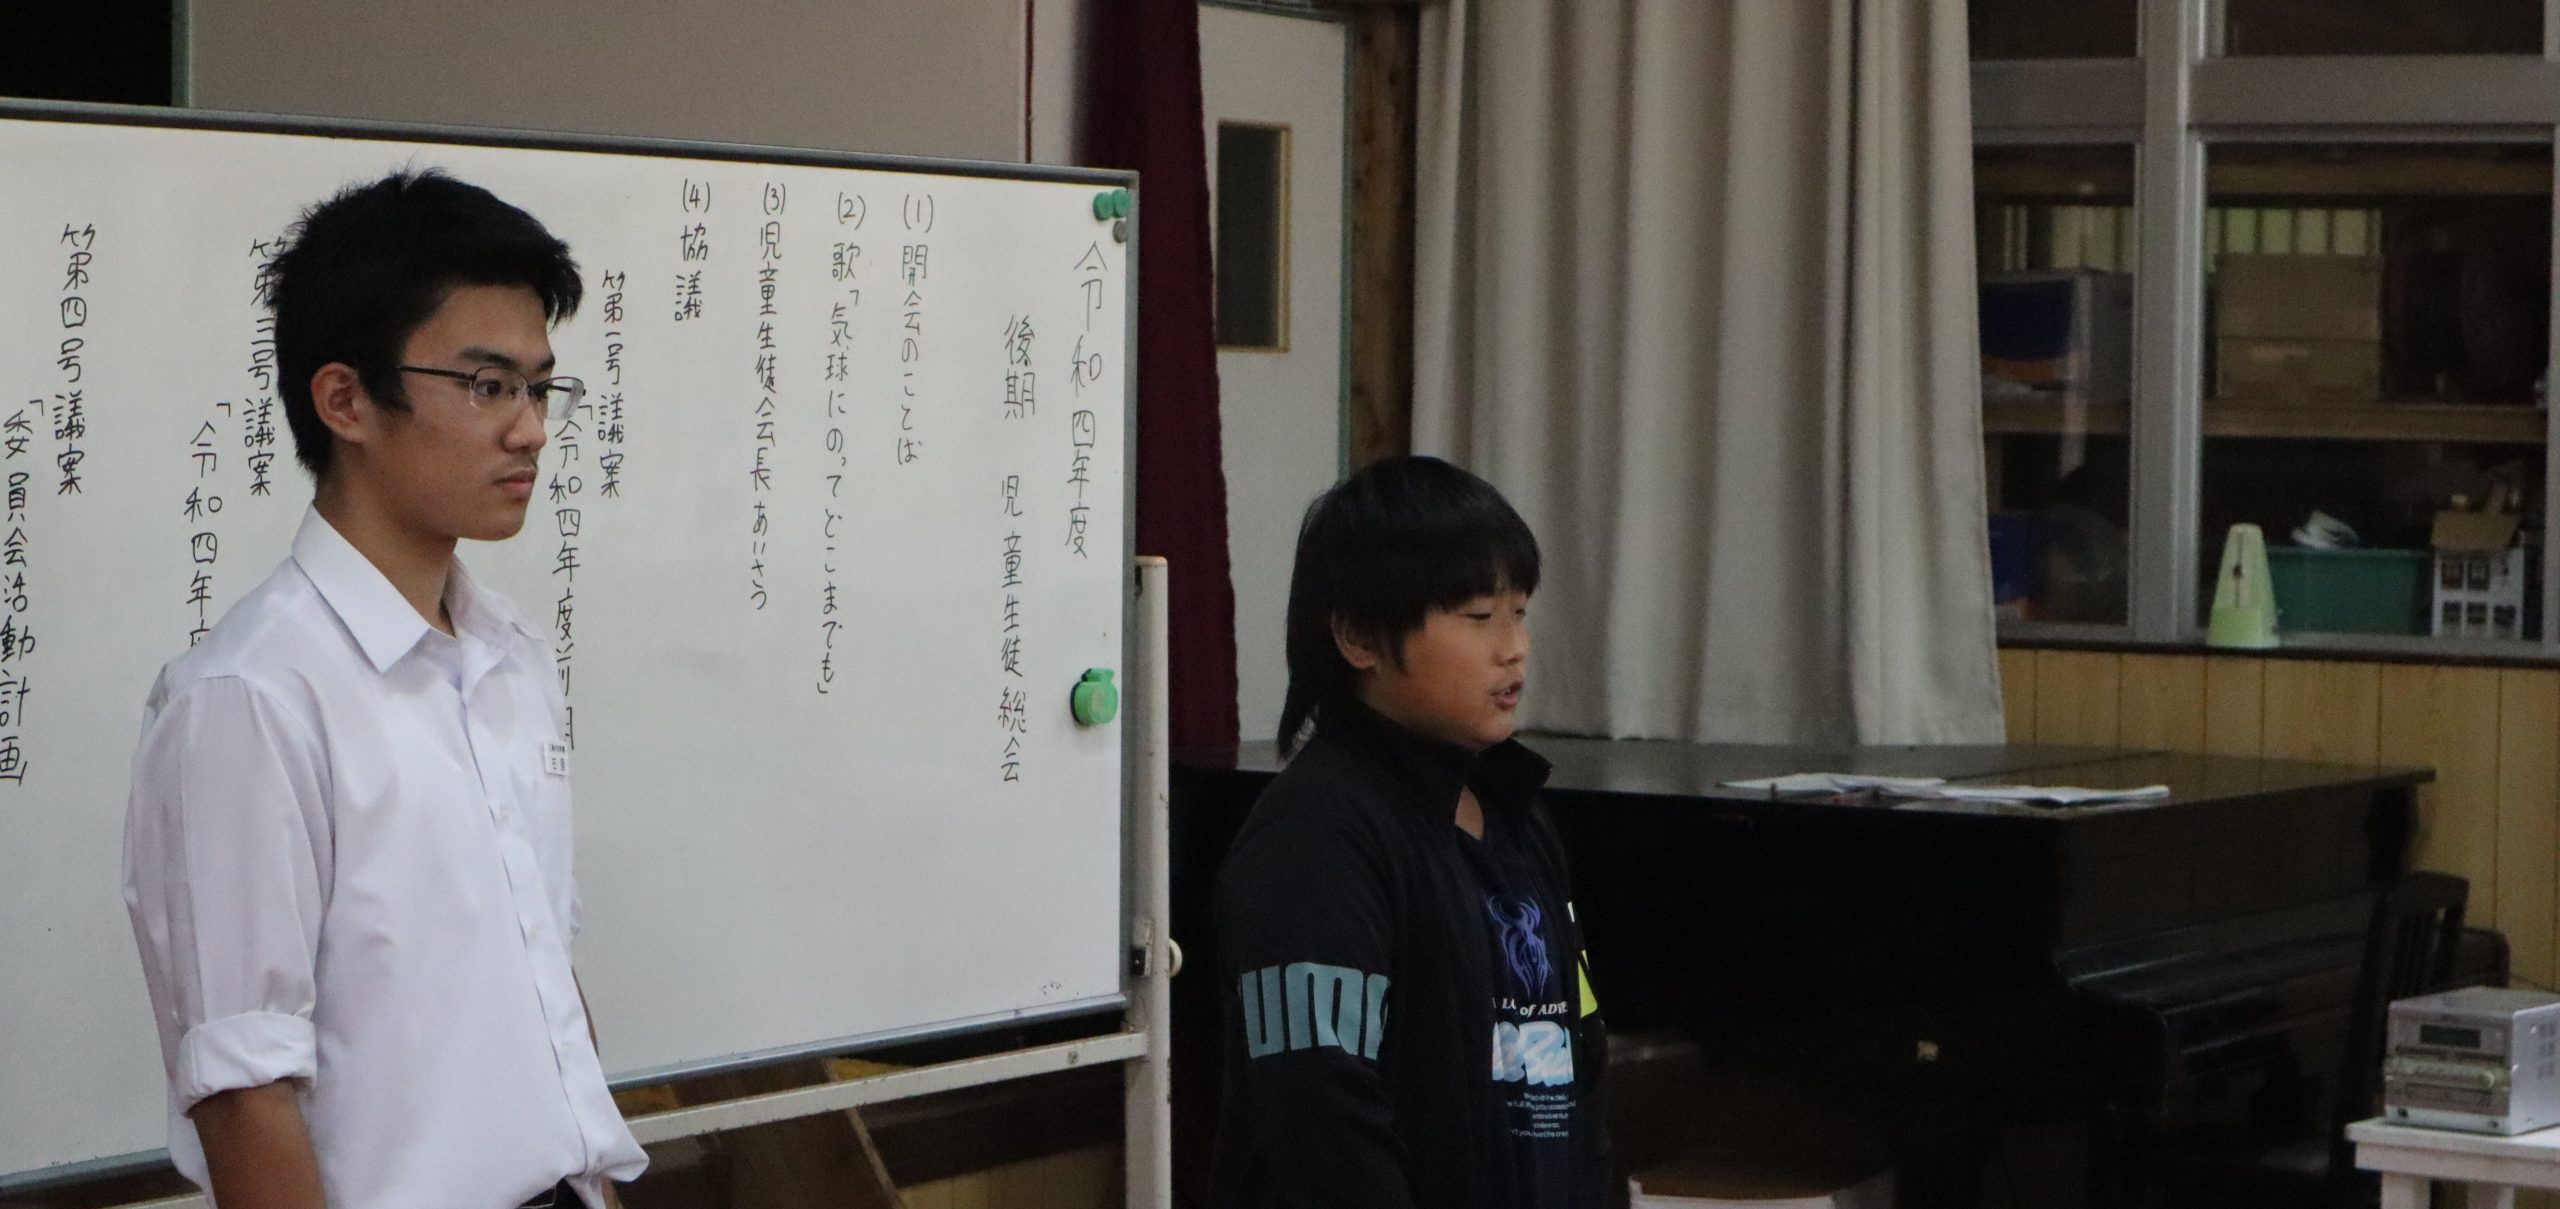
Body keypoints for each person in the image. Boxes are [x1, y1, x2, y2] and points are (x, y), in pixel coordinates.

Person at [122, 169, 647, 1209]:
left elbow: (542, 975)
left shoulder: (510, 656)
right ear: (345, 400)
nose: (530, 430)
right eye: (487, 385)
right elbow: (246, 1095)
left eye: (540, 388)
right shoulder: (252, 697)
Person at [1212, 455, 1612, 1208]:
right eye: (1479, 617)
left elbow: (1579, 1061)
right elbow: (1320, 1117)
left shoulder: (1518, 815)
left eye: (1520, 611)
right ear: (1360, 635)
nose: (1514, 646)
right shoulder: (1313, 838)